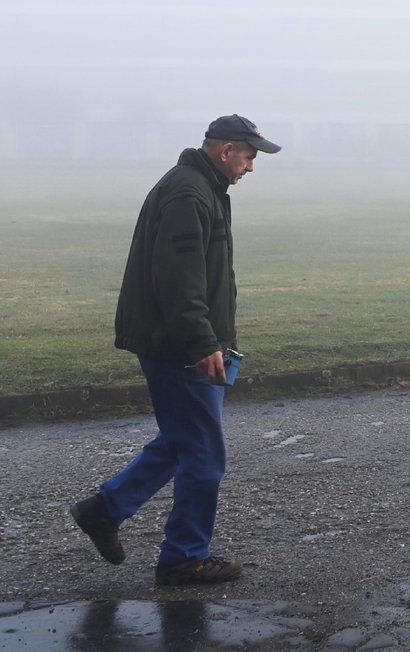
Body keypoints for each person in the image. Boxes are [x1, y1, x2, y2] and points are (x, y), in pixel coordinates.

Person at [70, 115, 281, 585]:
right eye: (249, 156)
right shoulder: (189, 193)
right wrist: (203, 342)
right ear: (226, 151)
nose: (251, 167)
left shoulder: (200, 187)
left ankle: (103, 510)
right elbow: (179, 279)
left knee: (182, 440)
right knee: (204, 453)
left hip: (185, 340)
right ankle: (183, 556)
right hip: (181, 345)